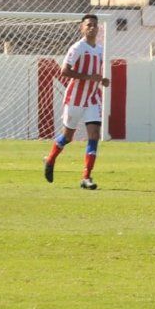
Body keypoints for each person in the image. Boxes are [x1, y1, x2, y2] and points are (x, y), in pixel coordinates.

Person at [43, 14, 110, 190]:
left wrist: (102, 80)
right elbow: (64, 71)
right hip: (75, 97)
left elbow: (95, 73)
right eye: (89, 25)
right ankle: (50, 159)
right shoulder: (77, 48)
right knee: (68, 137)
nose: (92, 28)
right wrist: (88, 77)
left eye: (95, 25)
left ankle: (86, 177)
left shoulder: (100, 50)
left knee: (94, 135)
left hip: (93, 97)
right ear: (82, 28)